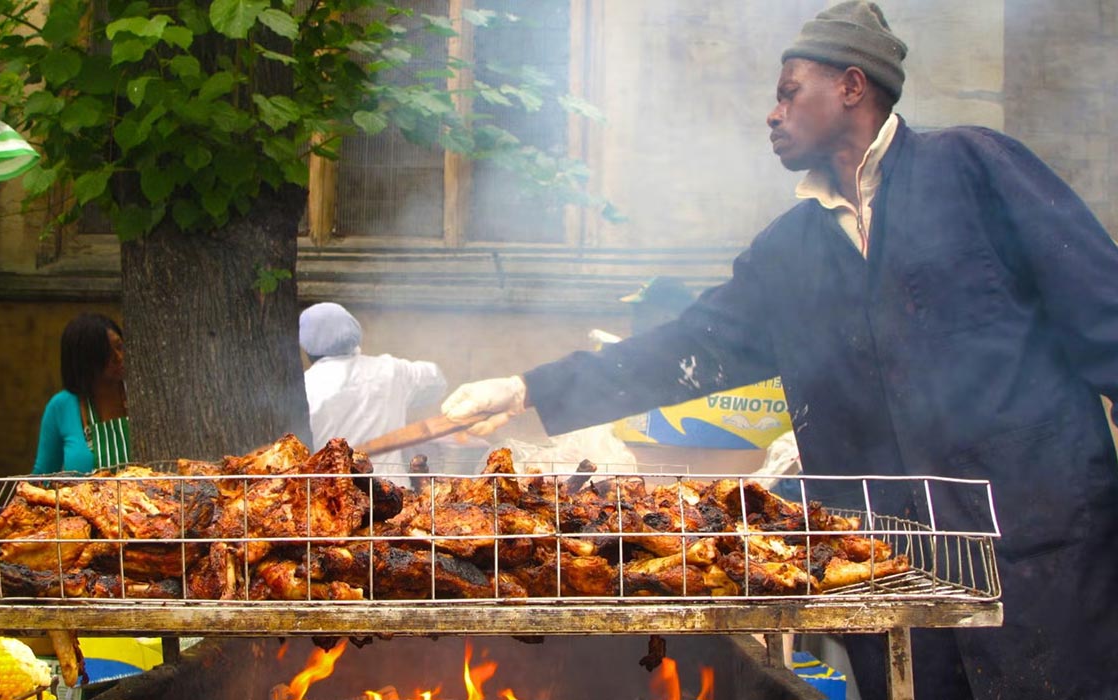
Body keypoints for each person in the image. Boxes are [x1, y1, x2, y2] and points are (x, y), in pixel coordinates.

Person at [440, 3, 1118, 698]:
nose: (772, 112)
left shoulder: (974, 168)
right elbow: (683, 348)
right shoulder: (788, 253)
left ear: (852, 87)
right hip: (890, 566)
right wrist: (525, 389)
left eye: (790, 92)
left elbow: (1104, 311)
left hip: (1039, 545)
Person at [300, 302, 446, 473]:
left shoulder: (304, 386)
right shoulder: (391, 371)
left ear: (306, 348)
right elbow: (437, 380)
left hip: (332, 495)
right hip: (394, 492)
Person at [33, 312, 129, 474]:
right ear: (85, 360)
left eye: (120, 347)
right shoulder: (62, 406)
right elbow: (43, 478)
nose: (119, 357)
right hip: (83, 499)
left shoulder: (145, 398)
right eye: (107, 353)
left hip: (145, 499)